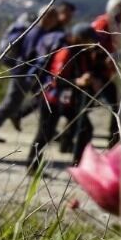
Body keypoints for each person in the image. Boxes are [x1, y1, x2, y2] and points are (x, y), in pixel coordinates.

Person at [27, 24, 106, 172]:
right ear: (78, 38)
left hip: (68, 101)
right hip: (52, 100)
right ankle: (32, 165)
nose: (92, 44)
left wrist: (92, 78)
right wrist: (78, 81)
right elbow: (57, 80)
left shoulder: (82, 53)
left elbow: (85, 71)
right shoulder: (65, 52)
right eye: (89, 40)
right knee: (45, 134)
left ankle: (78, 165)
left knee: (85, 129)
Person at [0, 10, 38, 143]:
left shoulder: (18, 28)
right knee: (12, 101)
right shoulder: (26, 31)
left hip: (22, 69)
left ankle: (16, 116)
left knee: (38, 97)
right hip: (21, 70)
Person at [92, 0, 121, 145]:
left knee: (117, 106)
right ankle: (114, 142)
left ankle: (114, 142)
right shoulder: (103, 23)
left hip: (105, 73)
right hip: (96, 72)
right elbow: (93, 47)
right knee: (117, 107)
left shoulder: (115, 24)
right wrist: (104, 60)